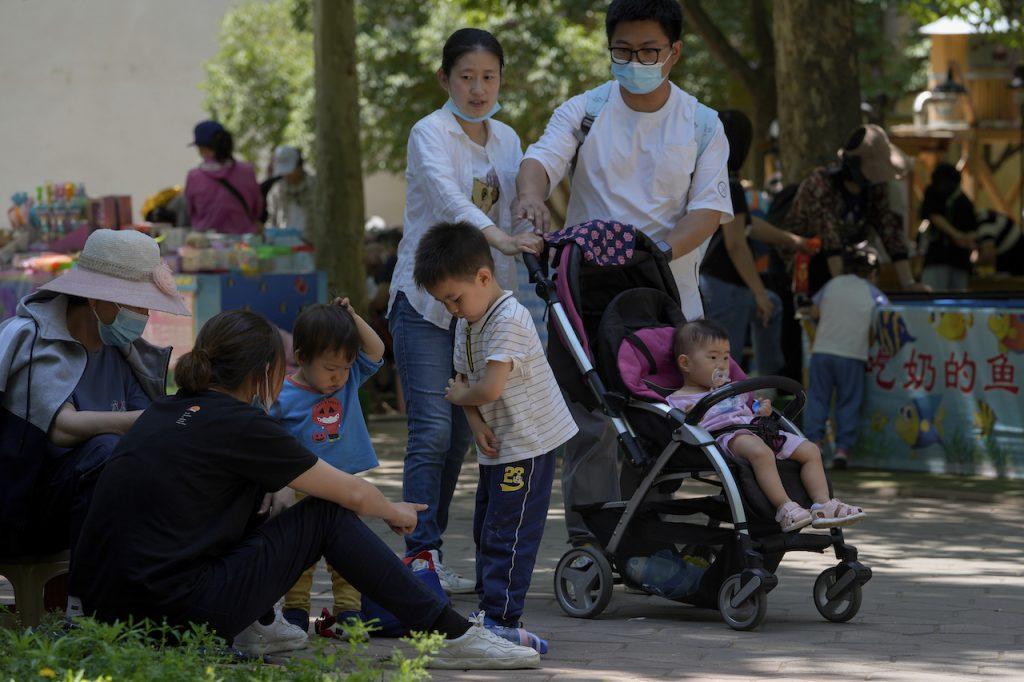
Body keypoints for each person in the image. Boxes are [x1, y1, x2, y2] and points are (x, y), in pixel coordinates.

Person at [68, 309, 540, 669]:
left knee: (264, 495)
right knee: (325, 513)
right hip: (177, 616)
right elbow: (351, 495)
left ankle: (258, 624)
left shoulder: (165, 412)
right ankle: (451, 636)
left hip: (112, 612)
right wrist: (395, 511)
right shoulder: (242, 423)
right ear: (263, 373)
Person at [515, 0, 733, 543]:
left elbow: (707, 210)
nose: (634, 62)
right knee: (591, 422)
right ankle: (589, 542)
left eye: (648, 51)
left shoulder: (702, 124)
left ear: (674, 52)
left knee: (659, 422)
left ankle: (644, 541)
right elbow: (540, 160)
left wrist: (649, 254)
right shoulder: (585, 110)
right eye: (623, 51)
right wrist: (531, 196)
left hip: (666, 302)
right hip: (582, 296)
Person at [387, 28, 543, 590]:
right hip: (425, 303)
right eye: (466, 77)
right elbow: (450, 200)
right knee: (431, 431)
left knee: (458, 438)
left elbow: (518, 203)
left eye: (488, 77)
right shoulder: (428, 132)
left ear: (501, 80)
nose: (478, 89)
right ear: (445, 79)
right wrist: (498, 239)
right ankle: (419, 557)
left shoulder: (507, 137)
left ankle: (429, 551)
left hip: (478, 312)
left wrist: (532, 224)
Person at [415, 222, 575, 653]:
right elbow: (464, 381)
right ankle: (490, 612)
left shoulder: (508, 318)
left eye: (454, 298)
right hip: (499, 445)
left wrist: (461, 399)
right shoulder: (468, 320)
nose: (452, 309)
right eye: (444, 302)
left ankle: (502, 618)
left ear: (484, 277)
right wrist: (475, 422)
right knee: (487, 528)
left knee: (509, 531)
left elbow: (486, 388)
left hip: (527, 444)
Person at [0, 229, 188, 564]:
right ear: (95, 299)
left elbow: (146, 430)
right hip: (25, 508)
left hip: (94, 507)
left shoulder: (123, 354)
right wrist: (141, 420)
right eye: (135, 303)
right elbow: (62, 427)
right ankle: (92, 589)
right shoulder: (35, 340)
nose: (144, 315)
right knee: (106, 450)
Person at [667, 320, 866, 531]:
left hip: (760, 429)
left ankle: (823, 504)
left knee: (810, 450)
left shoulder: (731, 388)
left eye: (726, 357)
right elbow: (684, 427)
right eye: (713, 357)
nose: (723, 365)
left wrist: (762, 409)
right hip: (728, 436)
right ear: (686, 363)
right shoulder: (680, 399)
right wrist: (691, 415)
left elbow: (749, 408)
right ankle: (785, 507)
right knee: (761, 453)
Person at [272, 299, 385, 633]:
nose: (339, 377)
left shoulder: (349, 381)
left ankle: (349, 611)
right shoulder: (282, 395)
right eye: (331, 368)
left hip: (344, 488)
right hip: (301, 488)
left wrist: (353, 317)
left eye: (346, 367)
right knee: (299, 554)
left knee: (348, 552)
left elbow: (376, 350)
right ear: (302, 357)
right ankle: (295, 610)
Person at [784, 124, 926, 295]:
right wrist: (845, 291)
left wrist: (909, 283)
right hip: (805, 268)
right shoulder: (821, 184)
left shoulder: (874, 187)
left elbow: (888, 228)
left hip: (842, 263)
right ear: (855, 165)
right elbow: (830, 239)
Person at [701, 110, 786, 376]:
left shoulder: (703, 179)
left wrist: (794, 241)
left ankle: (764, 383)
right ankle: (763, 386)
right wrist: (759, 292)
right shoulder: (731, 186)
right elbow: (736, 244)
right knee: (725, 363)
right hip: (726, 287)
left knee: (772, 305)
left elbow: (747, 224)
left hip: (704, 281)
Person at [802, 244, 889, 470]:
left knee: (818, 398)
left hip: (822, 351)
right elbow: (886, 315)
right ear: (873, 273)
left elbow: (814, 311)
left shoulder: (833, 284)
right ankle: (842, 450)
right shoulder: (873, 292)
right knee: (848, 402)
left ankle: (815, 444)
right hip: (852, 354)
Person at [184, 120, 263, 234]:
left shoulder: (194, 176)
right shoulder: (247, 171)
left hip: (206, 240)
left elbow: (191, 211)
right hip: (243, 240)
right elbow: (257, 209)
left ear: (202, 148)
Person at [918, 162, 976, 292]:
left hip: (957, 260)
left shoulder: (963, 201)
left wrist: (965, 239)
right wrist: (957, 235)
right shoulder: (934, 194)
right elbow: (933, 215)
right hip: (939, 258)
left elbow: (973, 231)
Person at [265, 145, 316, 236]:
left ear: (300, 166)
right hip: (284, 242)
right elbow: (271, 220)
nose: (286, 174)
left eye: (290, 170)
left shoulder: (315, 187)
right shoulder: (276, 191)